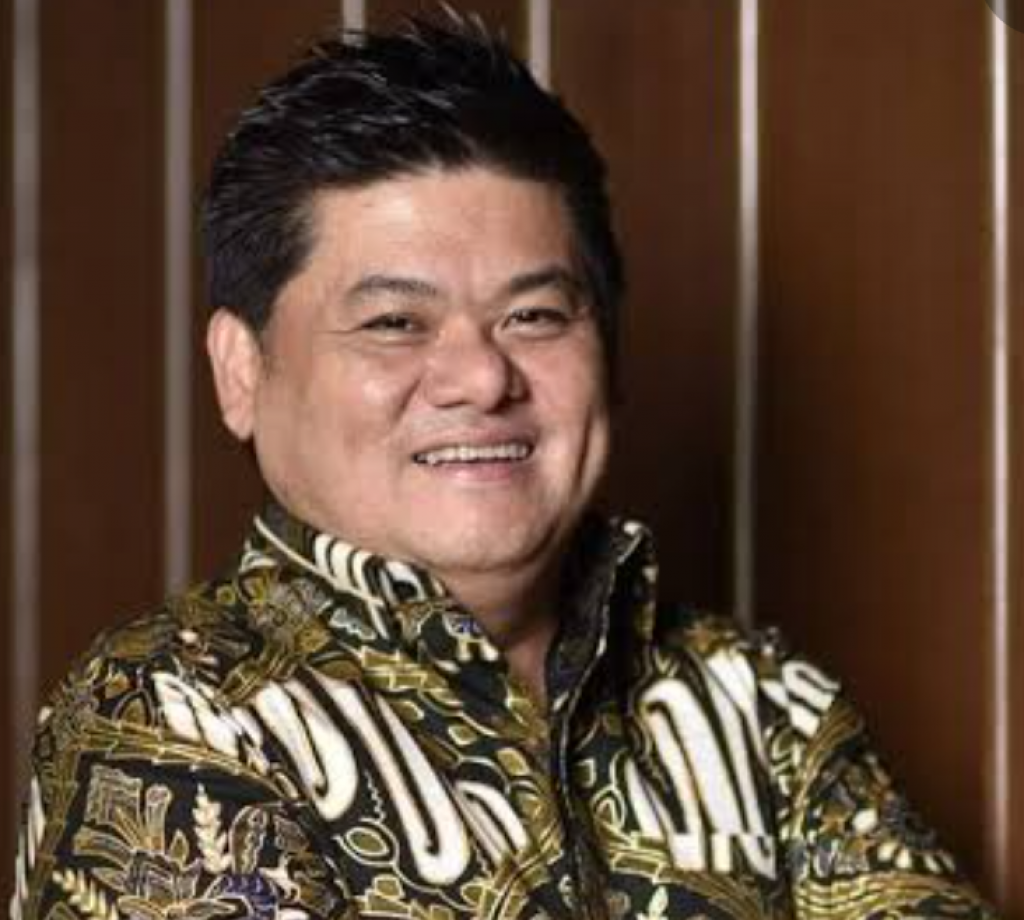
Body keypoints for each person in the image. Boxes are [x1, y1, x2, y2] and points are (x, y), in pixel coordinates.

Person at [11, 16, 996, 920]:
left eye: (534, 315)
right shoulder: (175, 712)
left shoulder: (757, 700)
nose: (482, 377)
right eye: (394, 322)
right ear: (241, 370)